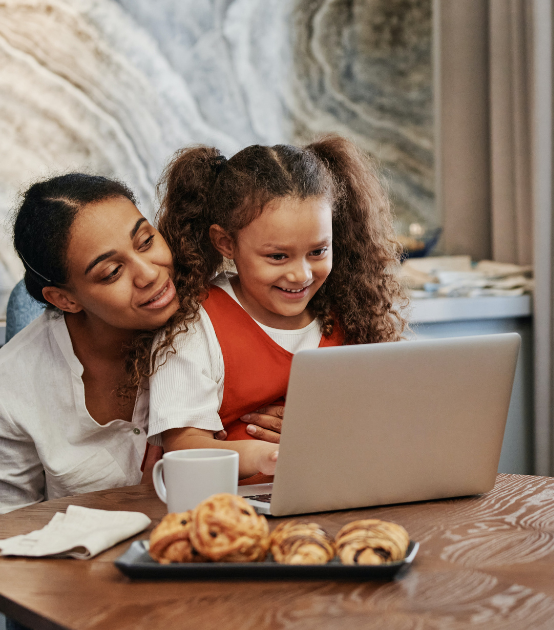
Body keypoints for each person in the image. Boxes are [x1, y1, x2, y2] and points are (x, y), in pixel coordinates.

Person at [147, 135, 405, 482]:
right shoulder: (195, 324)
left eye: (318, 251)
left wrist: (322, 435)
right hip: (237, 514)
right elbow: (185, 449)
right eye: (278, 256)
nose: (301, 274)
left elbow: (385, 423)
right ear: (225, 243)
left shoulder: (352, 311)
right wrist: (275, 455)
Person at [0, 175, 179, 513]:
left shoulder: (216, 313)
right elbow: (8, 529)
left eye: (145, 241)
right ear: (65, 299)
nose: (150, 274)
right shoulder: (10, 390)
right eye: (112, 271)